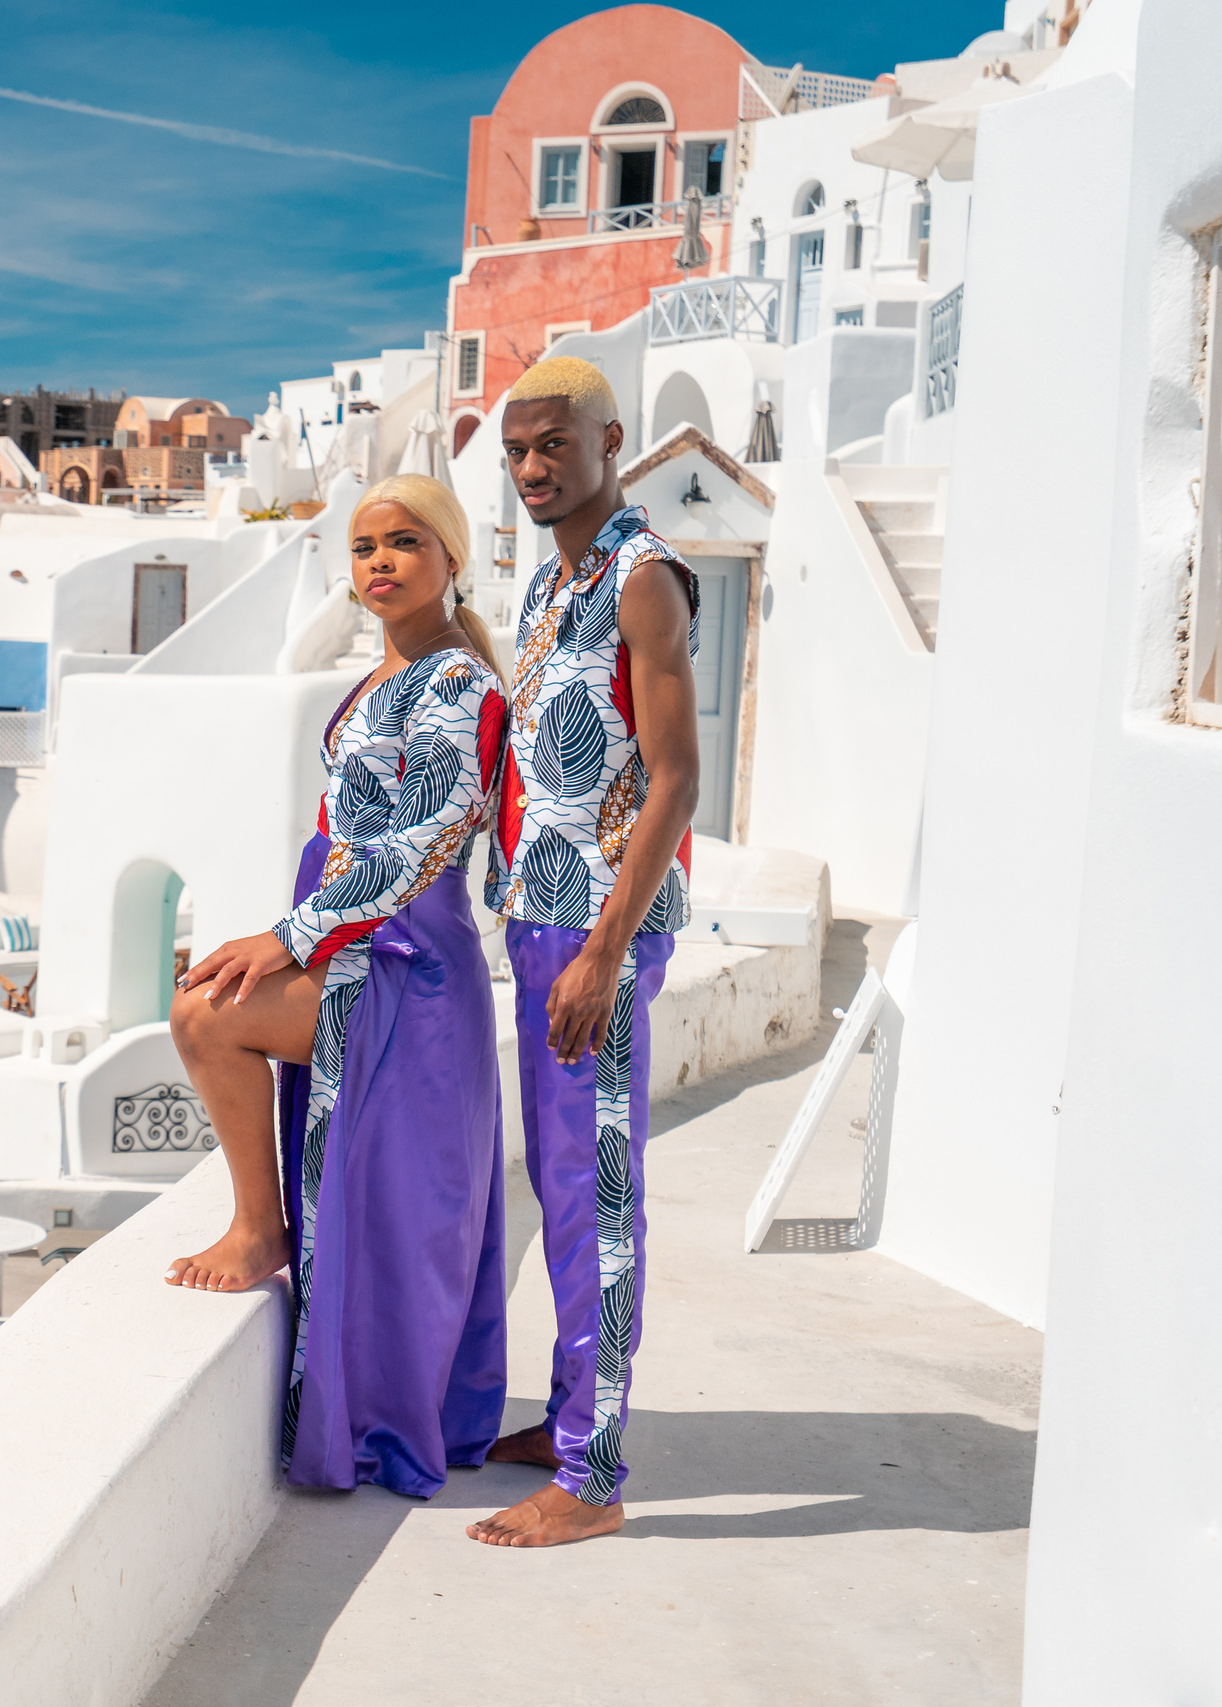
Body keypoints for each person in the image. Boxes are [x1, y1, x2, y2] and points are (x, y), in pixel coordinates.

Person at [164, 472, 514, 1497]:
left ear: (452, 559)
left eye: (405, 543)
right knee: (206, 1008)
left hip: (411, 966)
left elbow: (427, 839)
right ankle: (262, 1225)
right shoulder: (376, 683)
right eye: (363, 548)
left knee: (204, 1016)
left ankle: (257, 1228)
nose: (381, 564)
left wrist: (290, 935)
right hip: (356, 947)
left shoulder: (461, 685)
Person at [467, 356, 700, 1549]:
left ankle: (593, 1479)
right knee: (560, 1190)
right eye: (515, 451)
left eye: (553, 445)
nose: (531, 469)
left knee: (600, 1198)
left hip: (596, 934)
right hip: (541, 918)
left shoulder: (643, 580)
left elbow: (675, 779)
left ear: (609, 441)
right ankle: (568, 1416)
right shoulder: (551, 586)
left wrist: (603, 952)